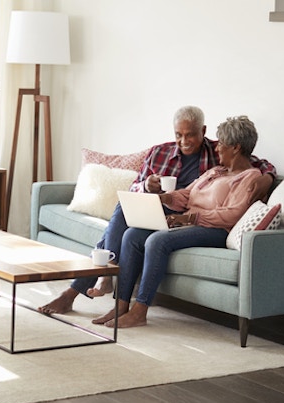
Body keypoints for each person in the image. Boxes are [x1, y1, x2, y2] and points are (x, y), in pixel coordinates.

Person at [38, 106, 276, 315]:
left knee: (144, 237)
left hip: (188, 218)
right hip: (164, 206)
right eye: (178, 135)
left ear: (203, 131)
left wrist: (268, 177)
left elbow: (251, 162)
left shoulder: (218, 155)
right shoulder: (167, 154)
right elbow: (152, 189)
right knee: (124, 209)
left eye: (190, 134)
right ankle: (108, 282)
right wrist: (150, 189)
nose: (184, 141)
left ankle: (98, 282)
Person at [96, 115, 262, 327]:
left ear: (236, 148)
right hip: (190, 223)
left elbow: (233, 213)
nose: (218, 148)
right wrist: (163, 198)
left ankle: (140, 310)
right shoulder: (215, 172)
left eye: (222, 144)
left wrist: (189, 217)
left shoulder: (250, 177)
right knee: (133, 234)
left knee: (157, 241)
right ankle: (121, 305)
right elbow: (187, 194)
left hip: (216, 229)